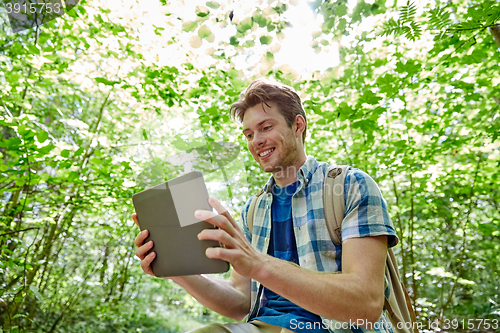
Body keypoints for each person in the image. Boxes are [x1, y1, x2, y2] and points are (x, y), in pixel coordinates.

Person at [133, 79, 398, 333]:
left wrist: (258, 263)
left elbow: (366, 303)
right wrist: (174, 271)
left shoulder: (351, 185)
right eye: (248, 134)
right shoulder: (253, 210)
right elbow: (240, 302)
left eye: (266, 127)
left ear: (298, 125)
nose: (255, 140)